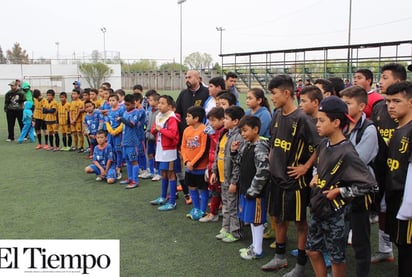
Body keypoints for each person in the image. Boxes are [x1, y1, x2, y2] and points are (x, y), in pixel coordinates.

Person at [306, 96, 377, 277]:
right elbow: (321, 167)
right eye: (317, 121)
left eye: (322, 121)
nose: (317, 125)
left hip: (336, 214)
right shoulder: (324, 144)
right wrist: (316, 176)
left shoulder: (347, 151)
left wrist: (340, 191)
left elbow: (370, 185)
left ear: (336, 122)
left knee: (337, 257)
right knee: (312, 251)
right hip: (318, 207)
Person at [262, 75, 320, 277]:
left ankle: (301, 266)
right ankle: (280, 256)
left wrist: (305, 167)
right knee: (277, 217)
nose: (272, 98)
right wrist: (271, 160)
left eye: (274, 93)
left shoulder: (303, 119)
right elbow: (274, 142)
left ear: (287, 93)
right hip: (276, 178)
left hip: (295, 182)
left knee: (300, 222)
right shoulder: (277, 114)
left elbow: (320, 145)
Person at [341, 86, 379, 277]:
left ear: (362, 106)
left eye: (348, 103)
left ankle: (362, 273)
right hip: (340, 187)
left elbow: (358, 161)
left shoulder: (369, 129)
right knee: (339, 233)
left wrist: (334, 168)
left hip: (359, 190)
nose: (344, 107)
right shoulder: (343, 125)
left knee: (360, 237)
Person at [370, 63, 407, 263]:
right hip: (383, 170)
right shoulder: (378, 107)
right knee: (384, 209)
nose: (380, 81)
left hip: (402, 176)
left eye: (385, 77)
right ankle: (385, 248)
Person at [383, 81, 412, 277]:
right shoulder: (397, 129)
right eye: (388, 101)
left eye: (396, 101)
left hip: (407, 206)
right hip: (395, 200)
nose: (390, 106)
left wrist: (407, 208)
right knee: (402, 247)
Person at [231, 115, 270, 260]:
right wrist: (234, 152)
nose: (243, 134)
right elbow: (239, 162)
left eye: (245, 130)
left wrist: (254, 190)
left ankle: (258, 250)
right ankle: (255, 246)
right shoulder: (247, 145)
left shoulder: (260, 147)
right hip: (247, 189)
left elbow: (264, 170)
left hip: (255, 193)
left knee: (257, 220)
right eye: (241, 131)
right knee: (252, 219)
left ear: (256, 129)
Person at [212, 106, 245, 243]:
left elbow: (238, 163)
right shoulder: (225, 134)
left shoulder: (239, 137)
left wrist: (234, 181)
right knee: (226, 204)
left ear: (236, 121)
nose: (224, 121)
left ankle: (235, 232)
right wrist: (214, 170)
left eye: (226, 118)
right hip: (222, 177)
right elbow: (218, 153)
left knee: (233, 206)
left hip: (231, 179)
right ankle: (226, 228)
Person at [149, 95, 180, 210]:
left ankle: (172, 201)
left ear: (170, 106)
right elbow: (153, 130)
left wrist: (160, 129)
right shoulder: (159, 116)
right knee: (163, 173)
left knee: (171, 174)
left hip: (169, 150)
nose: (159, 105)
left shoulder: (172, 118)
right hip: (160, 149)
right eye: (159, 103)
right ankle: (163, 197)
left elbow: (173, 134)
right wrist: (155, 129)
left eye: (162, 103)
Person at [181, 106, 209, 220]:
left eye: (188, 116)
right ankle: (196, 208)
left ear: (196, 118)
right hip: (189, 166)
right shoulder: (186, 130)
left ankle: (202, 210)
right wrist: (187, 161)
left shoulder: (204, 130)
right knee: (192, 187)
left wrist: (193, 163)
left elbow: (203, 150)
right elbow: (183, 146)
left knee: (203, 188)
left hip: (200, 167)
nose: (186, 118)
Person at [199, 107, 225, 223]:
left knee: (223, 192)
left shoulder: (224, 132)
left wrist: (213, 135)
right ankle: (214, 213)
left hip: (221, 167)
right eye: (209, 120)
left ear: (222, 120)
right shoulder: (213, 132)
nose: (211, 123)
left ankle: (225, 216)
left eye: (213, 120)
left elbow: (218, 147)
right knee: (214, 190)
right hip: (212, 165)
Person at [117, 94, 141, 189]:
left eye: (128, 105)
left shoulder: (136, 113)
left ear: (134, 104)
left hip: (132, 141)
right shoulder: (125, 112)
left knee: (134, 161)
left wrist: (122, 119)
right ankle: (130, 178)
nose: (126, 107)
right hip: (125, 141)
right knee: (127, 160)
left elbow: (132, 124)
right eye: (125, 105)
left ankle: (135, 181)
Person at [106, 94, 125, 180]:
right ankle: (112, 166)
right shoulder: (109, 111)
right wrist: (111, 131)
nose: (111, 102)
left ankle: (118, 167)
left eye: (113, 100)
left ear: (118, 101)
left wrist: (116, 131)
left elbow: (123, 123)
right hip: (111, 134)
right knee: (111, 150)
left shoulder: (121, 110)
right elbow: (107, 122)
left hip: (118, 134)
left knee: (118, 151)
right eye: (110, 100)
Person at [145, 91, 161, 181]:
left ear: (156, 101)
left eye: (151, 100)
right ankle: (151, 171)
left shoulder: (159, 113)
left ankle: (159, 172)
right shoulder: (150, 111)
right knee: (150, 154)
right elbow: (148, 123)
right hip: (149, 137)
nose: (149, 102)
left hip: (156, 138)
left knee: (157, 155)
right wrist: (147, 132)